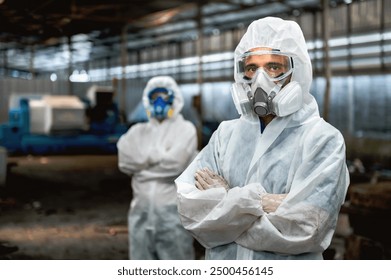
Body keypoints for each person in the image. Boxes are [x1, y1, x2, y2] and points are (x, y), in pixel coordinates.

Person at [175, 17, 350, 260]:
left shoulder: (322, 139)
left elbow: (306, 229)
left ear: (295, 72)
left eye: (273, 67)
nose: (260, 79)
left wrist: (227, 203)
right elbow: (192, 212)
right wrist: (267, 203)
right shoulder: (225, 135)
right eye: (251, 68)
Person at [117, 76, 197, 260]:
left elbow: (175, 167)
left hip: (172, 216)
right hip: (140, 214)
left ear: (174, 99)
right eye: (155, 97)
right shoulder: (138, 132)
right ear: (147, 100)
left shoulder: (185, 129)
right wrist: (161, 157)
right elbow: (124, 162)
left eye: (164, 96)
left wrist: (141, 168)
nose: (159, 102)